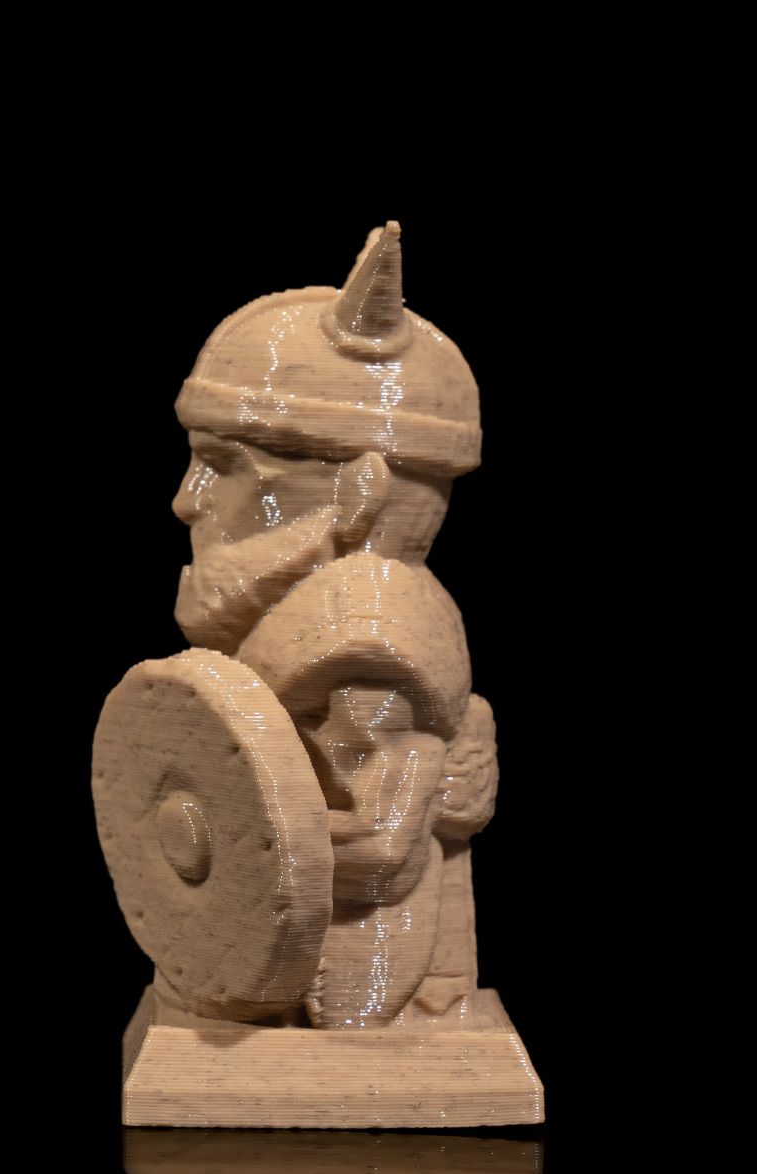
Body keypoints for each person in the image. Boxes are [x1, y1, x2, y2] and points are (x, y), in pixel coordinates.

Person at [169, 222, 498, 1029]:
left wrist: (226, 835)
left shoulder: (358, 644)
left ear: (359, 494)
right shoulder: (306, 627)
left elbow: (379, 852)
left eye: (225, 465)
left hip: (334, 972)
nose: (187, 499)